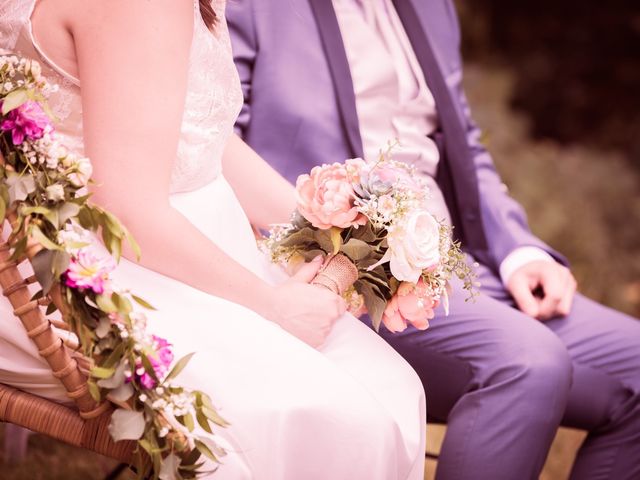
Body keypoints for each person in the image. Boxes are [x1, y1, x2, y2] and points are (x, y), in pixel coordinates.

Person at [0, 1, 427, 479]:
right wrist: (272, 306)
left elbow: (194, 132)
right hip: (97, 267)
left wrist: (332, 223)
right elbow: (125, 206)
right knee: (341, 421)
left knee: (392, 387)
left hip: (181, 242)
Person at [226, 0, 640, 478]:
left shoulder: (432, 7)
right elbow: (213, 145)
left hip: (455, 266)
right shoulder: (252, 6)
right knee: (527, 362)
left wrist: (519, 250)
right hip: (347, 279)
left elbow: (462, 143)